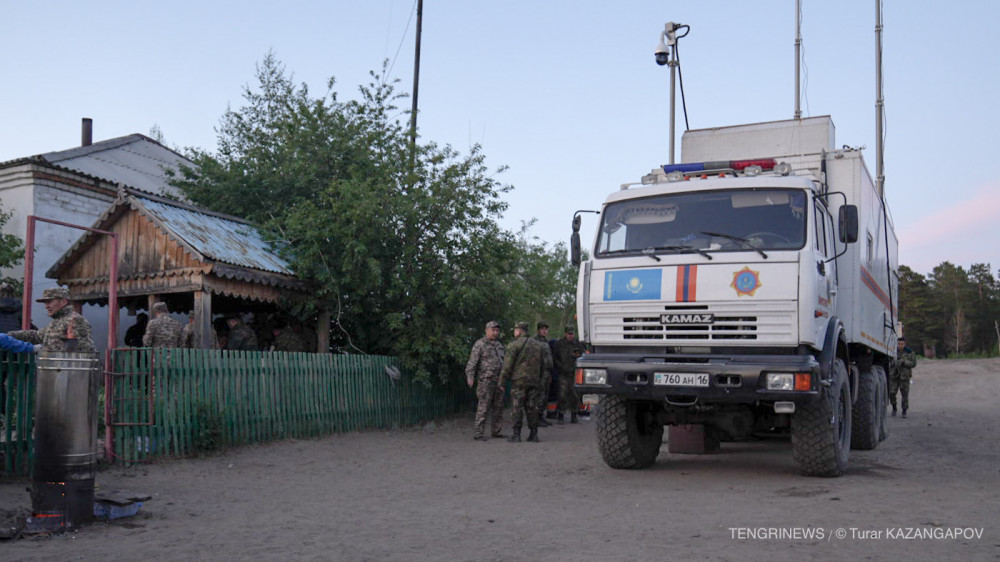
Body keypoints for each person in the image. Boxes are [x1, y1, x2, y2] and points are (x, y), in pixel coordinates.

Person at [498, 322, 552, 443]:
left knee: (517, 407)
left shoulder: (514, 345)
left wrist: (501, 382)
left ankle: (516, 434)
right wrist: (541, 380)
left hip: (519, 381)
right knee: (532, 407)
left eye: (515, 330)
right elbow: (545, 365)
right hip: (534, 381)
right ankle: (534, 434)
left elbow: (507, 366)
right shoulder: (539, 345)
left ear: (519, 331)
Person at [8, 287, 95, 352]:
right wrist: (9, 335)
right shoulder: (56, 322)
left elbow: (85, 350)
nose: (46, 306)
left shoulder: (75, 321)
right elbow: (36, 335)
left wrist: (49, 350)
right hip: (53, 371)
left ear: (63, 302)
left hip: (67, 372)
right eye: (45, 303)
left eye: (50, 301)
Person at [465, 320, 506, 441]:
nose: (495, 333)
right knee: (483, 406)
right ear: (486, 330)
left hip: (498, 380)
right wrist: (470, 376)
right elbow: (472, 362)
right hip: (485, 381)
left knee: (498, 407)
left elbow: (503, 362)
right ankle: (478, 433)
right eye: (493, 330)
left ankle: (496, 431)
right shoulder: (480, 344)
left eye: (497, 330)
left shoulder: (499, 345)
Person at [553, 326, 586, 424]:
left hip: (575, 373)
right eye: (569, 334)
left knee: (574, 394)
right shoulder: (559, 344)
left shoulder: (578, 344)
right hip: (563, 373)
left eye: (572, 334)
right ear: (565, 334)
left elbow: (582, 356)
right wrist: (560, 367)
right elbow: (555, 357)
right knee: (562, 394)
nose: (570, 336)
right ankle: (561, 415)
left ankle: (574, 415)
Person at [533, 321, 555, 427]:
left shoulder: (546, 342)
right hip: (539, 372)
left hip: (547, 372)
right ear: (538, 330)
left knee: (545, 395)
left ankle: (541, 416)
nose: (545, 331)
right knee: (539, 395)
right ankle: (535, 418)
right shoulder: (534, 341)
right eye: (542, 329)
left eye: (546, 329)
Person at [889, 336, 917, 418]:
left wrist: (904, 362)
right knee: (892, 393)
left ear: (904, 344)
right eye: (899, 344)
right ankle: (894, 407)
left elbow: (913, 363)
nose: (900, 346)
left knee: (904, 394)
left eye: (902, 344)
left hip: (904, 376)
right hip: (894, 375)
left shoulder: (909, 352)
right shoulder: (892, 351)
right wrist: (894, 363)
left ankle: (904, 411)